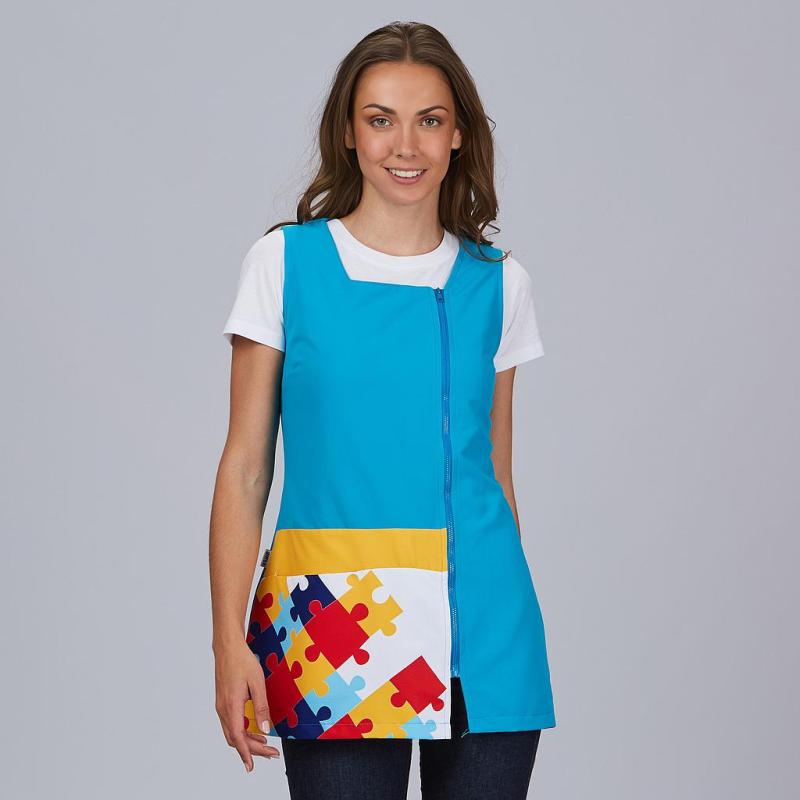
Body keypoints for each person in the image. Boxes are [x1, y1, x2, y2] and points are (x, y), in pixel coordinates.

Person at [209, 20, 556, 800]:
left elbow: (496, 477)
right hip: (332, 624)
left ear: (458, 134)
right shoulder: (284, 263)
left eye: (429, 120)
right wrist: (229, 644)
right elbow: (245, 470)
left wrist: (504, 621)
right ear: (349, 131)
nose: (406, 145)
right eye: (380, 119)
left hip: (483, 629)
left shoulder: (500, 282)